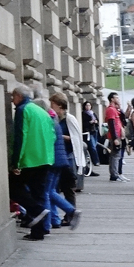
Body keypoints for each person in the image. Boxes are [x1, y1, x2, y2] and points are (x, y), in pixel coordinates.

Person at [9, 85, 56, 241]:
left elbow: (20, 136)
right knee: (39, 193)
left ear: (19, 96)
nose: (12, 100)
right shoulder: (41, 111)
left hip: (31, 158)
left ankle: (37, 211)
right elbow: (53, 135)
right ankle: (39, 231)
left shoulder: (23, 110)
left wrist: (16, 162)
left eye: (13, 96)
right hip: (46, 158)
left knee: (14, 188)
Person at [50, 93, 83, 229]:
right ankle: (57, 216)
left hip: (68, 155)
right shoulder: (54, 119)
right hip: (57, 156)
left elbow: (75, 138)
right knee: (55, 188)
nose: (50, 107)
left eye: (52, 104)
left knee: (68, 188)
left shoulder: (68, 119)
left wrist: (60, 136)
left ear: (60, 106)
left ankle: (69, 215)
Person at [105, 92, 127, 182]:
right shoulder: (111, 110)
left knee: (116, 155)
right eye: (116, 98)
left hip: (118, 135)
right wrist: (115, 138)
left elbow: (123, 120)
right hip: (115, 136)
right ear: (112, 99)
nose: (118, 99)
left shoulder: (115, 109)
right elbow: (111, 124)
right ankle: (114, 174)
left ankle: (115, 173)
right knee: (115, 155)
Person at [81, 100, 101, 172]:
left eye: (89, 105)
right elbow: (83, 123)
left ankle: (94, 160)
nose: (88, 107)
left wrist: (96, 122)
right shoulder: (83, 114)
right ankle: (96, 161)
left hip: (94, 131)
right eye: (86, 105)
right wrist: (90, 122)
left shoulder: (92, 113)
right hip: (88, 131)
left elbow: (97, 121)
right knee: (92, 146)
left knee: (95, 145)